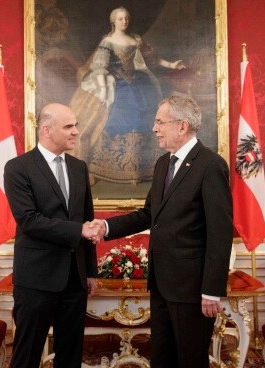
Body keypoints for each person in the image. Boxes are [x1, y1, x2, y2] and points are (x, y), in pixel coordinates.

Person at [90, 94, 233, 367]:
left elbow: (220, 231)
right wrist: (105, 226)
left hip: (192, 289)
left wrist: (212, 290)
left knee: (190, 360)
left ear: (182, 125)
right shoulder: (163, 164)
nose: (154, 128)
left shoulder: (210, 165)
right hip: (162, 284)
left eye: (160, 122)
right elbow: (148, 215)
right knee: (163, 358)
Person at [4, 103, 100, 368]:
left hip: (75, 278)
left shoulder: (79, 167)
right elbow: (29, 221)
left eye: (75, 125)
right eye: (69, 126)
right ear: (46, 130)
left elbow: (86, 221)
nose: (76, 132)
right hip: (36, 279)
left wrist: (90, 271)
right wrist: (78, 230)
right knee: (27, 355)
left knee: (70, 355)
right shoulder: (18, 168)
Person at [70, 6, 186, 185]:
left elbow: (151, 61)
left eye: (126, 18)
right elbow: (100, 65)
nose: (124, 22)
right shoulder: (107, 42)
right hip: (118, 83)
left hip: (138, 82)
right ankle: (113, 165)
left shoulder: (136, 40)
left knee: (147, 113)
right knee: (120, 113)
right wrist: (104, 81)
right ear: (113, 22)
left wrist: (171, 65)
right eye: (120, 19)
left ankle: (143, 166)